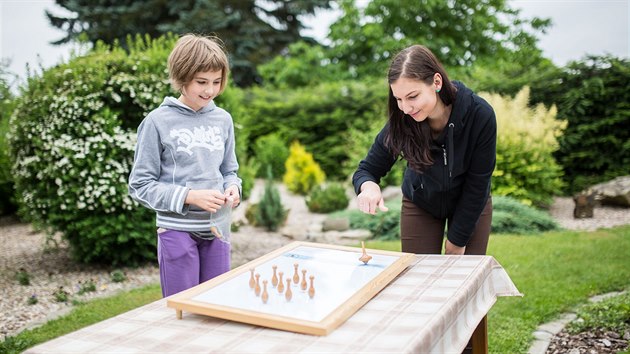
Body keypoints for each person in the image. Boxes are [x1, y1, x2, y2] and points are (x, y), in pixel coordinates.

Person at [352, 44, 496, 256]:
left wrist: (457, 240)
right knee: (417, 278)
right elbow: (367, 169)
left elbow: (478, 181)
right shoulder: (403, 120)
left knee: (465, 280)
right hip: (421, 203)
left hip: (470, 202)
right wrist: (368, 187)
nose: (406, 108)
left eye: (412, 96)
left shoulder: (480, 114)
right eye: (398, 99)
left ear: (436, 82)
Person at [128, 34, 241, 297]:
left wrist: (233, 188)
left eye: (216, 82)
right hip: (177, 232)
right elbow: (140, 185)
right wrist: (190, 196)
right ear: (182, 77)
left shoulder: (223, 119)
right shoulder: (157, 121)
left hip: (217, 230)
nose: (209, 90)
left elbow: (229, 171)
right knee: (182, 308)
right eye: (201, 82)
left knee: (217, 303)